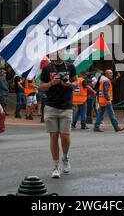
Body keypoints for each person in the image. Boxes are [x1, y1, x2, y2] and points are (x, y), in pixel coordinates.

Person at [39, 49, 78, 179]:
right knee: (54, 136)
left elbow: (76, 83)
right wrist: (51, 83)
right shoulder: (47, 68)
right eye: (56, 51)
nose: (58, 54)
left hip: (66, 106)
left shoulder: (70, 66)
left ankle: (65, 157)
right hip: (51, 106)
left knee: (65, 135)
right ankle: (56, 166)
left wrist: (68, 84)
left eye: (60, 51)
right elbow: (41, 86)